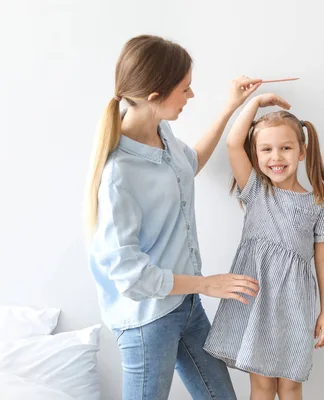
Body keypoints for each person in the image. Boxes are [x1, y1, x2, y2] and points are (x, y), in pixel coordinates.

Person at [84, 34, 261, 400]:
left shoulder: (161, 132)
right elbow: (130, 277)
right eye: (185, 89)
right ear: (154, 97)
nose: (191, 97)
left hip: (186, 306)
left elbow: (189, 164)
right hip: (148, 321)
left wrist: (230, 107)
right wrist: (206, 285)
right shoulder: (119, 174)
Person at [203, 93, 324, 400]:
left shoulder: (317, 204)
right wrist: (255, 102)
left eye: (286, 148)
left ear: (302, 151)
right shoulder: (255, 190)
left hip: (294, 304)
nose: (276, 157)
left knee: (290, 384)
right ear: (256, 153)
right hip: (255, 301)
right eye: (266, 149)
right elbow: (232, 143)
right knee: (262, 385)